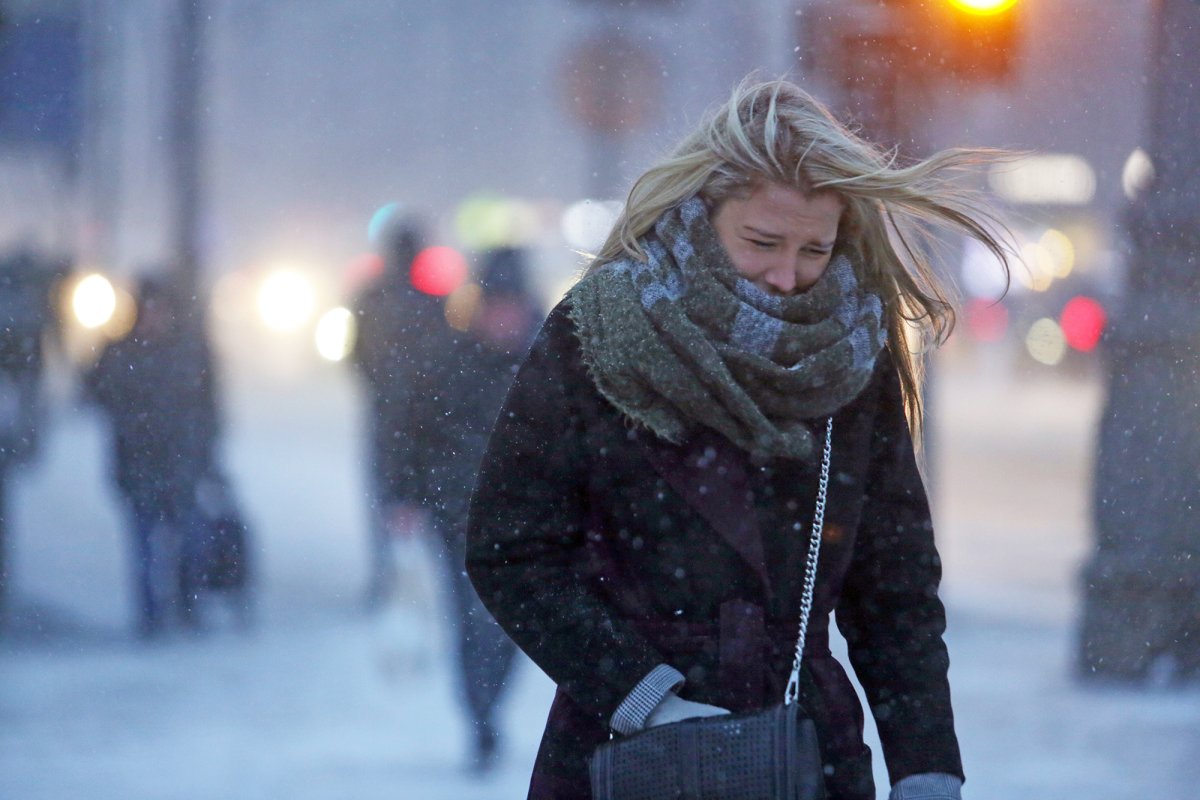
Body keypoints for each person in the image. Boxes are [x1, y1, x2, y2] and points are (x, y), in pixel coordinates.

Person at [465, 78, 1011, 800]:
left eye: (815, 250)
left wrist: (926, 765)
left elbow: (894, 587)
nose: (788, 276)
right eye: (762, 242)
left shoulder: (852, 349)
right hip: (628, 750)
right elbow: (509, 548)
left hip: (807, 748)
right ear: (702, 213)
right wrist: (643, 696)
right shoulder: (603, 329)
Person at [385, 247, 542, 772]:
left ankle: (486, 707)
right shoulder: (448, 363)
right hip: (461, 517)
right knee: (473, 619)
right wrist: (404, 494)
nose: (502, 319)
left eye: (510, 307)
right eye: (494, 306)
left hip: (531, 520)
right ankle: (479, 716)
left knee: (515, 625)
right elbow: (413, 433)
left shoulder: (552, 361)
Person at [85, 274, 221, 638]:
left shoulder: (186, 352)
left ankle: (186, 605)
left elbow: (209, 408)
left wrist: (206, 454)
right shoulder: (122, 352)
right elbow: (92, 393)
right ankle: (151, 614)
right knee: (144, 544)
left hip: (179, 463)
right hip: (140, 463)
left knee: (190, 540)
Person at [349, 212, 454, 608]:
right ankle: (423, 580)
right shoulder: (434, 303)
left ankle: (387, 577)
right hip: (425, 414)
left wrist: (380, 386)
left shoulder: (370, 298)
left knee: (385, 496)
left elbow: (356, 356)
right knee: (424, 495)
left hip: (386, 411)